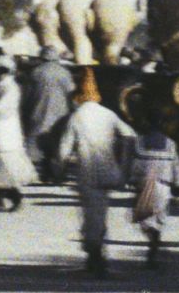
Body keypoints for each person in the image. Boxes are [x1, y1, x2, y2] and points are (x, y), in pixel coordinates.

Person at [55, 70, 136, 276]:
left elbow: (64, 150)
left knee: (90, 215)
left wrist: (60, 169)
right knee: (101, 212)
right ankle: (98, 255)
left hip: (87, 172)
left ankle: (95, 257)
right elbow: (130, 135)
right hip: (109, 170)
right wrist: (124, 163)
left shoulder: (77, 116)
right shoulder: (107, 113)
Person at [126, 110, 179, 267]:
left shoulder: (139, 143)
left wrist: (132, 181)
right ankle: (154, 247)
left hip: (143, 187)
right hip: (163, 188)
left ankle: (153, 246)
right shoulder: (171, 144)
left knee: (144, 220)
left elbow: (135, 167)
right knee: (158, 220)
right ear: (162, 124)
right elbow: (176, 168)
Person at [0, 54, 38, 210]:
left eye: (3, 70)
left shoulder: (10, 87)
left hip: (5, 129)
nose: (0, 72)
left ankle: (15, 197)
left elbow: (1, 108)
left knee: (5, 164)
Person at [25, 45, 77, 181]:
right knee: (59, 145)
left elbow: (28, 95)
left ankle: (45, 173)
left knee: (43, 145)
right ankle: (59, 174)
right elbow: (72, 93)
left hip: (39, 111)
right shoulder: (65, 73)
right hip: (61, 114)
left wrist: (26, 110)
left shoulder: (35, 72)